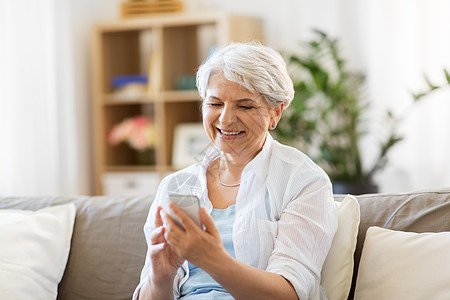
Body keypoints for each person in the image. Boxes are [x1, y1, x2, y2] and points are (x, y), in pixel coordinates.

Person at [133, 42, 338, 300]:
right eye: (215, 103)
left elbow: (290, 293)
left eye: (245, 106)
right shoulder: (178, 186)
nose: (226, 119)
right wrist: (160, 278)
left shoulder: (302, 181)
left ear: (276, 112)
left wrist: (212, 259)